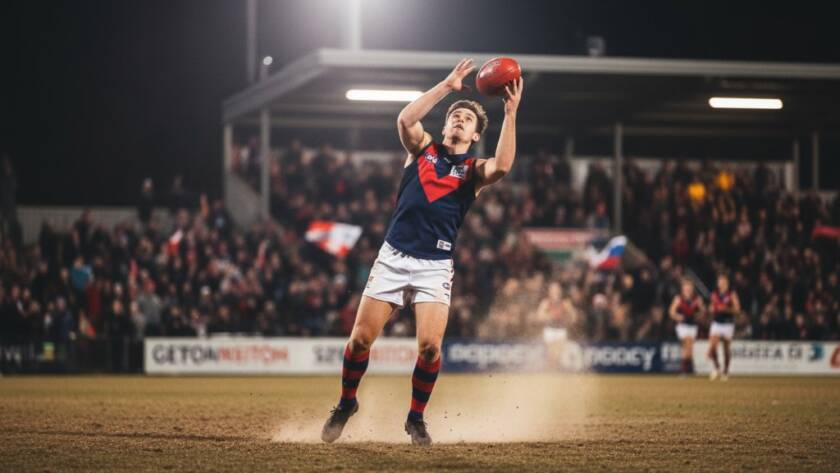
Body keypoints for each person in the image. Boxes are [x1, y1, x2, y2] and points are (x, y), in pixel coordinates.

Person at [321, 58, 523, 446]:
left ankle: (415, 418)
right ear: (445, 125)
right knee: (360, 341)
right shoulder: (422, 150)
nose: (460, 120)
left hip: (434, 266)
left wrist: (510, 114)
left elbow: (503, 166)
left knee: (430, 347)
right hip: (394, 257)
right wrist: (447, 87)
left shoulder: (473, 170)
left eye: (467, 119)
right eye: (455, 116)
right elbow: (404, 120)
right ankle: (347, 403)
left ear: (476, 134)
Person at [707, 274, 740, 381]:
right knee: (713, 347)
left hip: (728, 324)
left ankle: (725, 371)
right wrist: (712, 309)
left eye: (723, 282)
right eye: (720, 282)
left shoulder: (731, 294)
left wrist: (726, 309)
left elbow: (737, 309)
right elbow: (711, 307)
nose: (721, 284)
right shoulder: (714, 294)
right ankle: (717, 368)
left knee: (726, 349)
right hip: (716, 323)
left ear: (727, 283)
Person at [668, 279, 704, 375]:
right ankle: (684, 369)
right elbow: (671, 312)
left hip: (692, 325)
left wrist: (698, 315)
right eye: (685, 286)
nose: (687, 289)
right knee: (687, 343)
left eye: (689, 287)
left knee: (689, 348)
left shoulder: (697, 299)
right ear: (682, 288)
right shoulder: (678, 298)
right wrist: (678, 317)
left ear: (692, 288)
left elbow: (702, 311)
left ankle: (689, 368)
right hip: (682, 325)